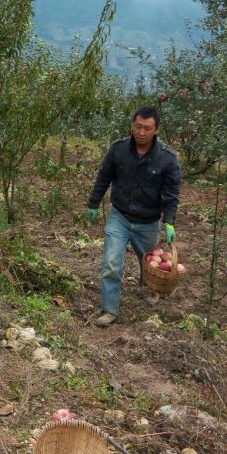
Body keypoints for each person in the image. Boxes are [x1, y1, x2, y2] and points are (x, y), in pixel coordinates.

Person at [87, 106, 182, 327]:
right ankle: (110, 310)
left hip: (148, 221)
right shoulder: (118, 149)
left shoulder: (167, 159)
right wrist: (93, 202)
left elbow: (171, 194)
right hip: (119, 216)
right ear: (132, 125)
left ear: (156, 130)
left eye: (147, 128)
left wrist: (169, 222)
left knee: (147, 262)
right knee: (111, 263)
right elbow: (104, 176)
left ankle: (150, 286)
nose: (141, 132)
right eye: (138, 127)